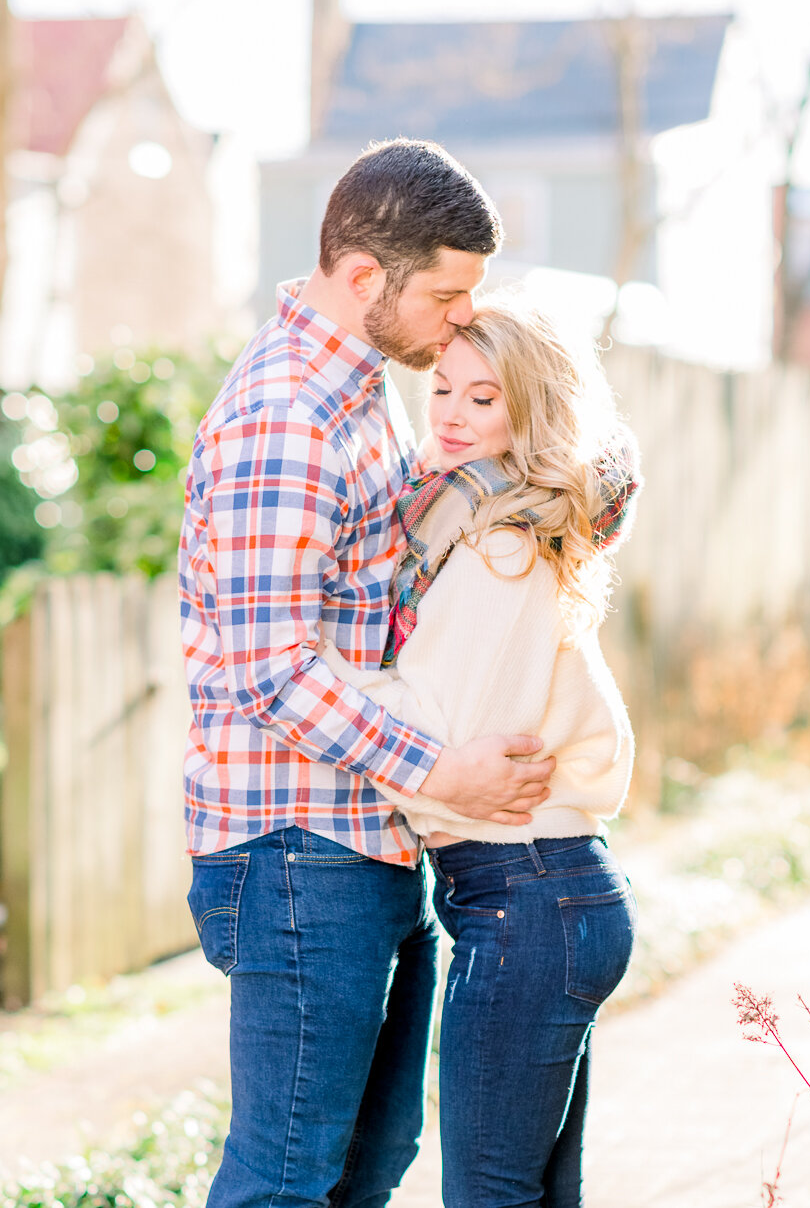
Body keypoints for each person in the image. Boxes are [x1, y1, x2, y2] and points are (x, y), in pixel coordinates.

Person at [178, 139, 557, 1208]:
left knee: (365, 1168)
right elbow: (277, 670)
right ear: (361, 278)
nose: (456, 318)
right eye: (446, 294)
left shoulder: (366, 400)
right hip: (297, 850)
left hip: (367, 836)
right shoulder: (284, 418)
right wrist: (447, 770)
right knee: (285, 1181)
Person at [321, 293, 641, 1207]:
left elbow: (438, 735)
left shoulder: (498, 545)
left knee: (488, 1196)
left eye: (484, 399)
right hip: (548, 893)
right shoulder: (485, 522)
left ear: (528, 414)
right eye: (445, 390)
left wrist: (320, 660)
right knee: (534, 1195)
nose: (452, 416)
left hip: (526, 897)